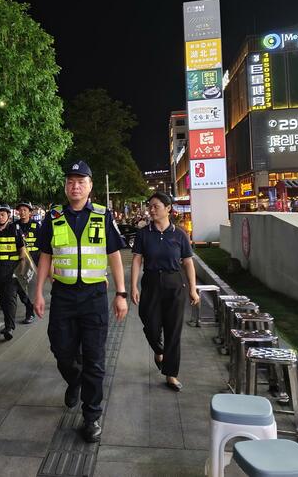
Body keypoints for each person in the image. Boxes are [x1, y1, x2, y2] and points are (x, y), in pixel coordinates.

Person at [33, 160, 128, 443]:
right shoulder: (54, 217)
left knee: (95, 360)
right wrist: (38, 292)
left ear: (90, 187)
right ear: (65, 186)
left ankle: (91, 417)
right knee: (61, 350)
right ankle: (74, 379)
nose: (75, 186)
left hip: (94, 297)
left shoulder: (102, 215)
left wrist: (121, 294)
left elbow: (114, 255)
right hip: (62, 295)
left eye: (81, 182)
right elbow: (45, 257)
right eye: (71, 181)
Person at [130, 193, 199, 392]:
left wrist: (192, 289)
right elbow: (136, 260)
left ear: (168, 208)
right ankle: (159, 351)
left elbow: (187, 262)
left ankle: (171, 374)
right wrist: (133, 286)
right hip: (151, 283)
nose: (151, 210)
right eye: (150, 206)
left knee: (173, 330)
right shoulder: (144, 234)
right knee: (150, 325)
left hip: (174, 284)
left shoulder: (180, 235)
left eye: (155, 206)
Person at [0, 203, 27, 340]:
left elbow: (22, 251)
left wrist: (21, 270)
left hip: (12, 269)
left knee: (10, 298)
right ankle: (6, 324)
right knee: (2, 300)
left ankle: (9, 327)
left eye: (2, 215)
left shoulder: (15, 229)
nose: (0, 217)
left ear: (8, 216)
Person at [15, 201, 39, 323]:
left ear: (30, 212)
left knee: (30, 287)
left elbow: (42, 245)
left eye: (25, 210)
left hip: (34, 261)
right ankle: (29, 305)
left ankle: (30, 313)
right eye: (20, 210)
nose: (22, 212)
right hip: (20, 262)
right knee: (20, 287)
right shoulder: (14, 226)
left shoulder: (36, 226)